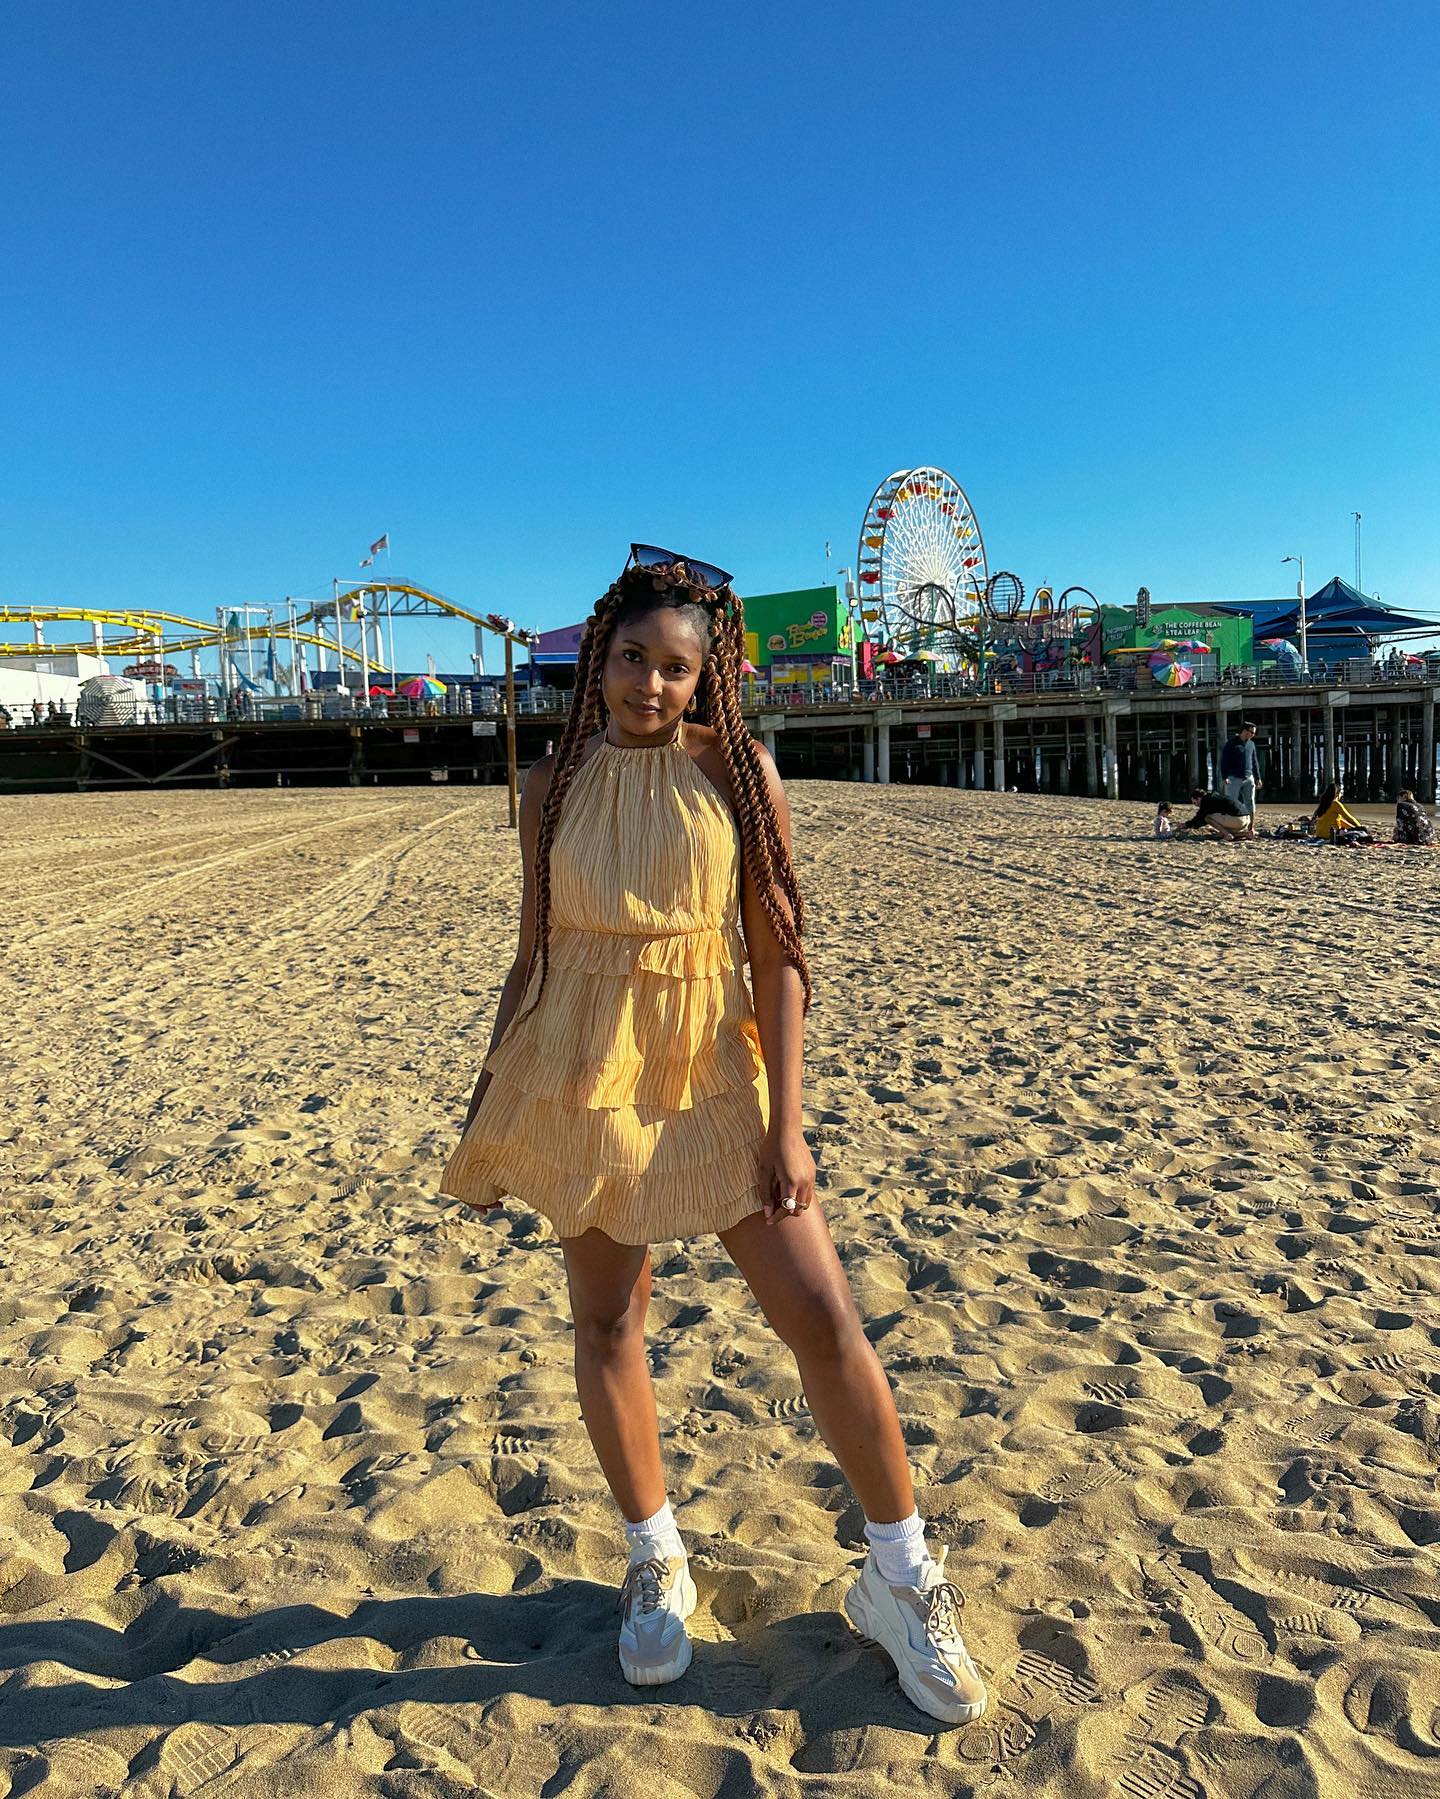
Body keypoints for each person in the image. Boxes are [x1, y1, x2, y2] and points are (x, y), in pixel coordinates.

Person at [439, 545, 986, 1723]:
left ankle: (903, 1576)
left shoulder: (740, 773)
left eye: (675, 668)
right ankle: (656, 1556)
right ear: (601, 656)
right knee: (606, 1317)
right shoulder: (548, 788)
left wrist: (789, 1123)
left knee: (823, 1315)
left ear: (707, 676)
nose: (649, 684)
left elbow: (781, 953)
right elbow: (532, 955)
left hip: (713, 1067)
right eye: (632, 658)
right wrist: (492, 1105)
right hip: (582, 1067)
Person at [1218, 720, 1262, 838]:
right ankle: (1228, 828)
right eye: (1251, 732)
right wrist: (1225, 777)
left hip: (1249, 778)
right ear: (1244, 731)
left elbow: (1254, 761)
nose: (1253, 735)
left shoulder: (1251, 744)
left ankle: (1251, 828)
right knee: (1231, 803)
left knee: (1250, 803)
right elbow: (1224, 761)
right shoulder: (1231, 744)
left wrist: (1258, 777)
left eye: (1254, 733)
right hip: (1233, 778)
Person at [1177, 787, 1249, 840]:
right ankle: (1246, 834)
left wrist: (1186, 825)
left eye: (1195, 802)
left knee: (1207, 818)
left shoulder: (1206, 801)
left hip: (1238, 820)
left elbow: (1200, 818)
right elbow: (1201, 821)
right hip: (1246, 819)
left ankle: (1228, 835)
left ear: (1199, 798)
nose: (1196, 805)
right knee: (1220, 833)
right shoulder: (1213, 797)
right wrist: (1192, 825)